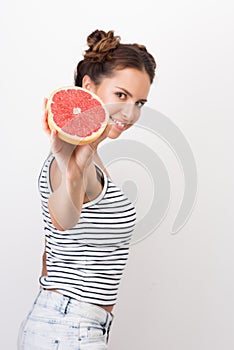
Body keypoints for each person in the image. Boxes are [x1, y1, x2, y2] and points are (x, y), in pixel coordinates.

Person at [18, 29, 156, 350]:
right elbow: (63, 218)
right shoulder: (66, 159)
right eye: (121, 95)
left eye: (140, 102)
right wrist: (74, 168)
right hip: (68, 328)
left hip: (68, 323)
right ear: (89, 88)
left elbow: (52, 250)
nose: (130, 113)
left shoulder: (91, 157)